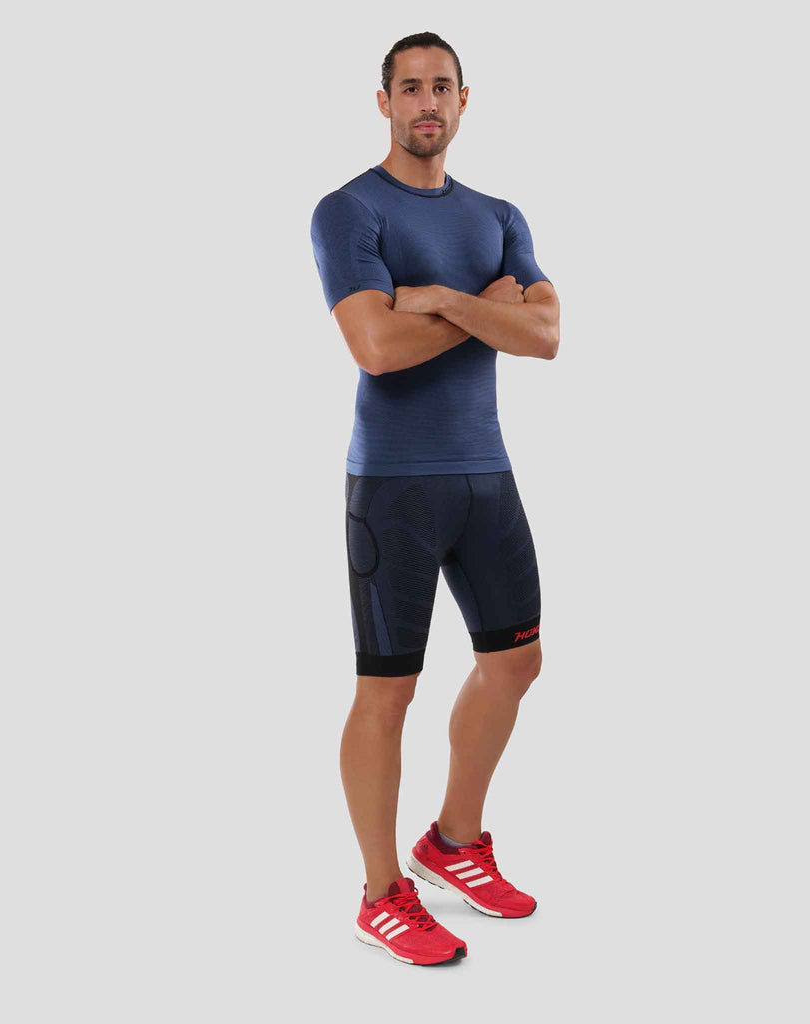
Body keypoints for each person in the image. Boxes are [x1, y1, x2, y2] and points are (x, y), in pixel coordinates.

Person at [309, 32, 560, 966]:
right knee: (388, 690)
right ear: (384, 102)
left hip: (485, 475)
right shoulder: (348, 210)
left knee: (517, 662)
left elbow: (546, 335)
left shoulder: (499, 214)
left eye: (441, 86)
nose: (427, 102)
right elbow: (375, 348)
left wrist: (437, 299)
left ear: (463, 99)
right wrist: (486, 306)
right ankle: (381, 892)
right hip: (395, 486)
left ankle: (453, 841)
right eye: (409, 87)